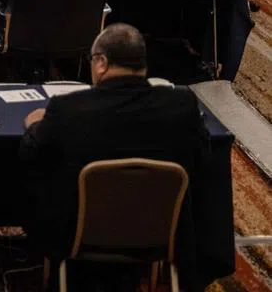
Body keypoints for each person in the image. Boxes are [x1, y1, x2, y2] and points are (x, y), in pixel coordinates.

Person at [19, 24, 208, 268]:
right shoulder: (182, 105)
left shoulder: (67, 109)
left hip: (74, 234)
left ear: (101, 63)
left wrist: (34, 125)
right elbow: (203, 158)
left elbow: (29, 154)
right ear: (144, 65)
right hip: (160, 232)